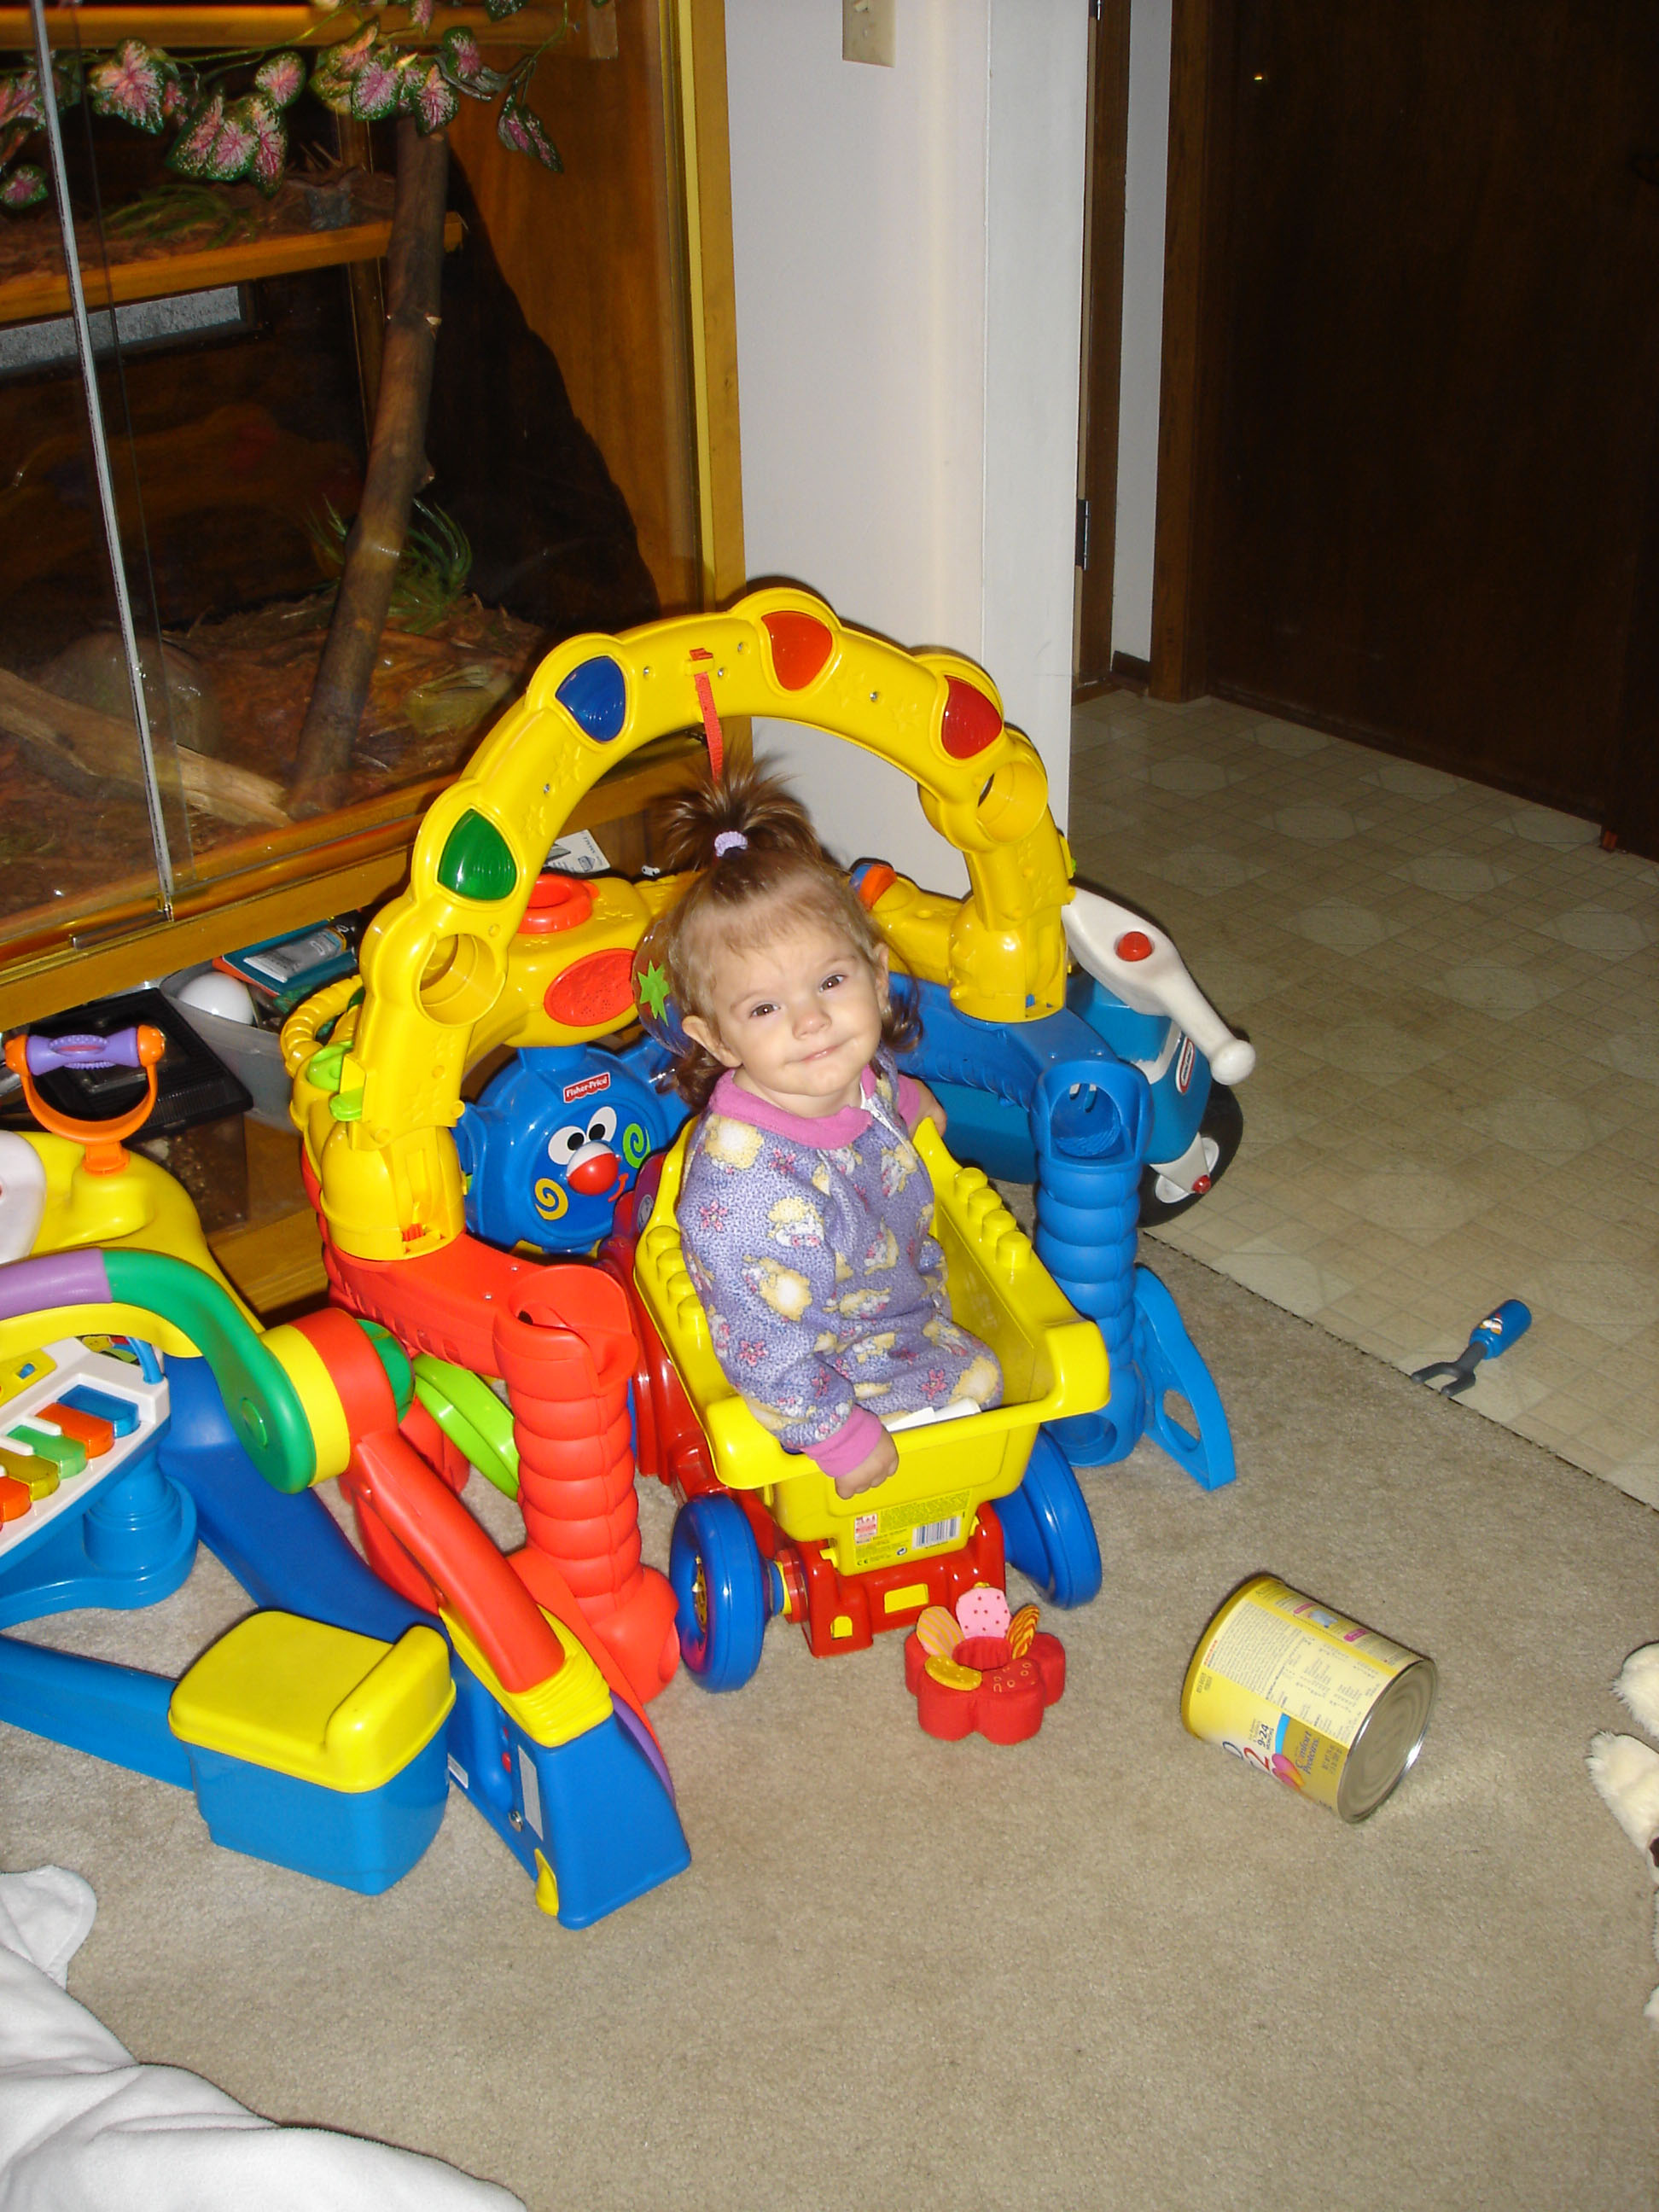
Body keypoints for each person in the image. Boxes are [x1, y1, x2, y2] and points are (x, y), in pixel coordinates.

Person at [649, 761, 1002, 1501]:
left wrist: (907, 1103)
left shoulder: (843, 1070)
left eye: (831, 982)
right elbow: (762, 1346)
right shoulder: (745, 1194)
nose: (811, 1021)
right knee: (976, 1394)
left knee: (995, 1377)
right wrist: (834, 1432)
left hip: (894, 1304)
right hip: (814, 1364)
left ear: (876, 975)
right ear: (715, 1040)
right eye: (764, 1009)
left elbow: (872, 1085)